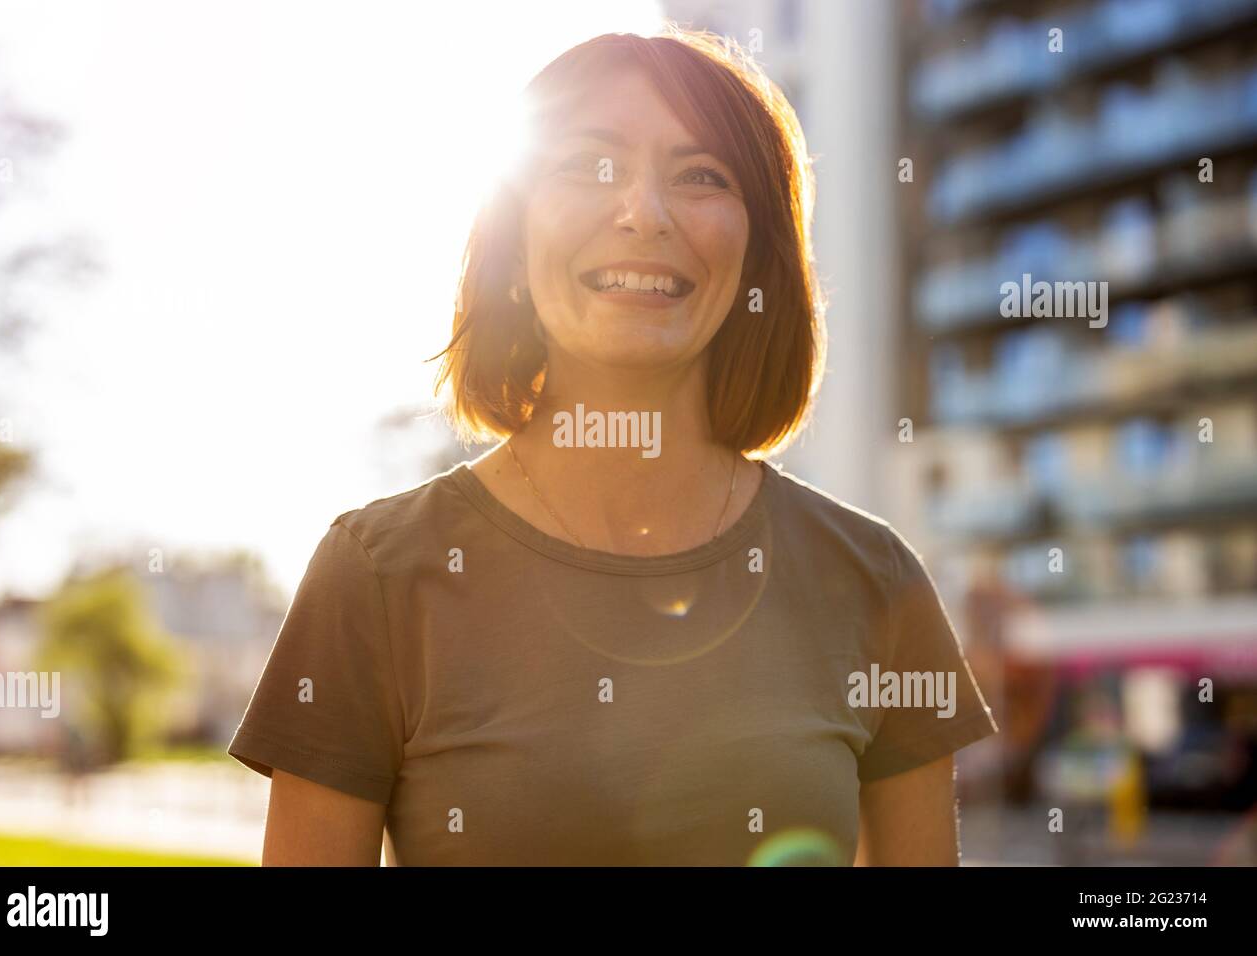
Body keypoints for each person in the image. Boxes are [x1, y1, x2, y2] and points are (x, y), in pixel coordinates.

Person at [228, 24, 997, 866]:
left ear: (758, 257)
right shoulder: (374, 575)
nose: (643, 213)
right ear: (515, 241)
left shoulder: (877, 583)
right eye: (591, 166)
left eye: (701, 175)